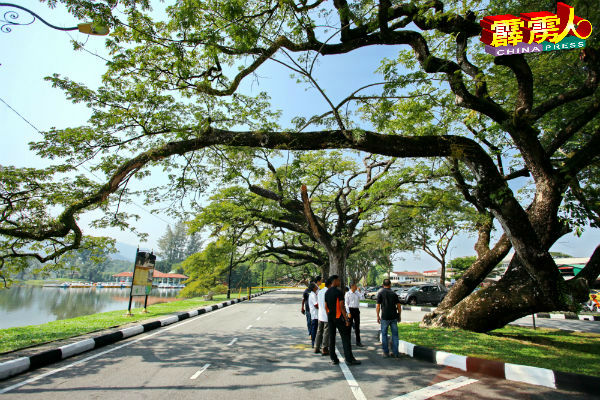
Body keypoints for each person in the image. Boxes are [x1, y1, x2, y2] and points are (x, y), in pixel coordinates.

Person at [325, 275, 361, 366]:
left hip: (330, 317)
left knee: (332, 338)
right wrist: (346, 319)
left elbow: (326, 306)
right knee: (345, 338)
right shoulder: (338, 292)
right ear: (334, 281)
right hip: (339, 317)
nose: (339, 282)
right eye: (338, 280)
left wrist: (329, 315)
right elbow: (341, 306)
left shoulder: (327, 292)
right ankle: (349, 359)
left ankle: (333, 359)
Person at [376, 278, 402, 358]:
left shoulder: (380, 293)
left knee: (384, 334)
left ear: (383, 285)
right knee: (395, 335)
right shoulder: (394, 294)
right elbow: (398, 305)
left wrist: (378, 316)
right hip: (393, 316)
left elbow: (378, 306)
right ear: (390, 285)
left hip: (384, 316)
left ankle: (385, 352)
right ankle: (395, 353)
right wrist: (399, 314)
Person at [315, 278, 330, 355]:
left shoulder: (320, 292)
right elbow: (327, 304)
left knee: (319, 331)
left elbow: (318, 303)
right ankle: (324, 348)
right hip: (326, 314)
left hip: (320, 314)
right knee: (326, 332)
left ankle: (316, 347)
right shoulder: (328, 292)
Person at [308, 283, 319, 347]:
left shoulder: (315, 294)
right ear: (313, 288)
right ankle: (313, 342)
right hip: (315, 314)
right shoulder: (312, 295)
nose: (316, 286)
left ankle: (315, 342)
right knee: (314, 328)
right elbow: (316, 305)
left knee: (316, 328)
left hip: (316, 314)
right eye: (315, 285)